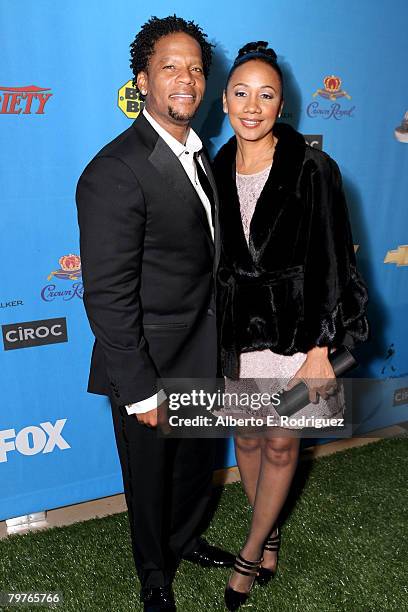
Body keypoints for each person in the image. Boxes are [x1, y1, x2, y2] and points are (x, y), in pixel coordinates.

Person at [76, 16, 234, 612]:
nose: (186, 78)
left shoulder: (201, 155)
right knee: (149, 479)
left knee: (196, 466)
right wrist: (140, 391)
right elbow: (107, 294)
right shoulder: (115, 170)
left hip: (203, 351)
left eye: (195, 67)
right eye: (170, 66)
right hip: (148, 364)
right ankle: (154, 572)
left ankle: (186, 537)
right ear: (142, 81)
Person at [213, 42, 369, 610]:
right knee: (249, 440)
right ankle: (270, 528)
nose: (252, 106)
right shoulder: (213, 167)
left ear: (283, 104)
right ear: (225, 98)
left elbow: (335, 260)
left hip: (298, 341)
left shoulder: (313, 167)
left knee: (282, 445)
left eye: (267, 94)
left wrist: (323, 347)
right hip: (239, 340)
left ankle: (250, 552)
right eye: (241, 92)